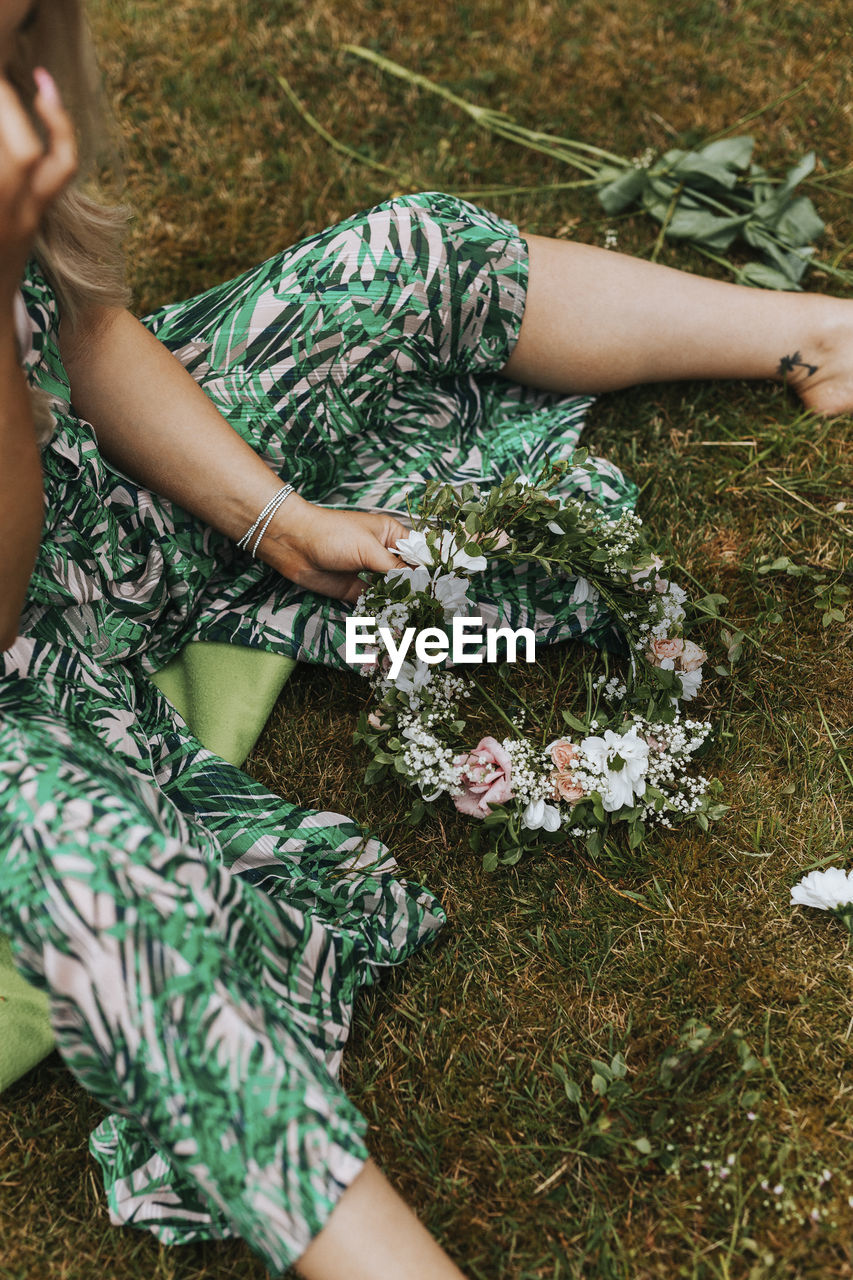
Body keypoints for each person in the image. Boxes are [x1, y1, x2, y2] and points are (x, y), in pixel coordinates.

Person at [1, 2, 851, 1278]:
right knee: (95, 875)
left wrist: (278, 524)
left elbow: (89, 328)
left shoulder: (22, 96)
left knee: (407, 255)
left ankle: (821, 334)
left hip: (72, 517)